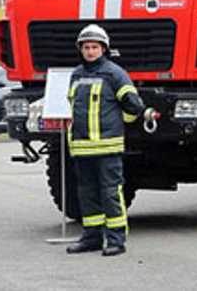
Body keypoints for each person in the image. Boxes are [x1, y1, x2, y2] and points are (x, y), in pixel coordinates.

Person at [65, 23, 156, 256]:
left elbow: (133, 106)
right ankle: (92, 238)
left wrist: (116, 124)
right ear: (80, 49)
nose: (90, 51)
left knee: (110, 194)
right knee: (87, 195)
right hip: (82, 148)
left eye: (94, 47)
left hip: (107, 148)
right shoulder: (76, 75)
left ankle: (116, 240)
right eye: (86, 47)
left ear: (103, 49)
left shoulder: (114, 73)